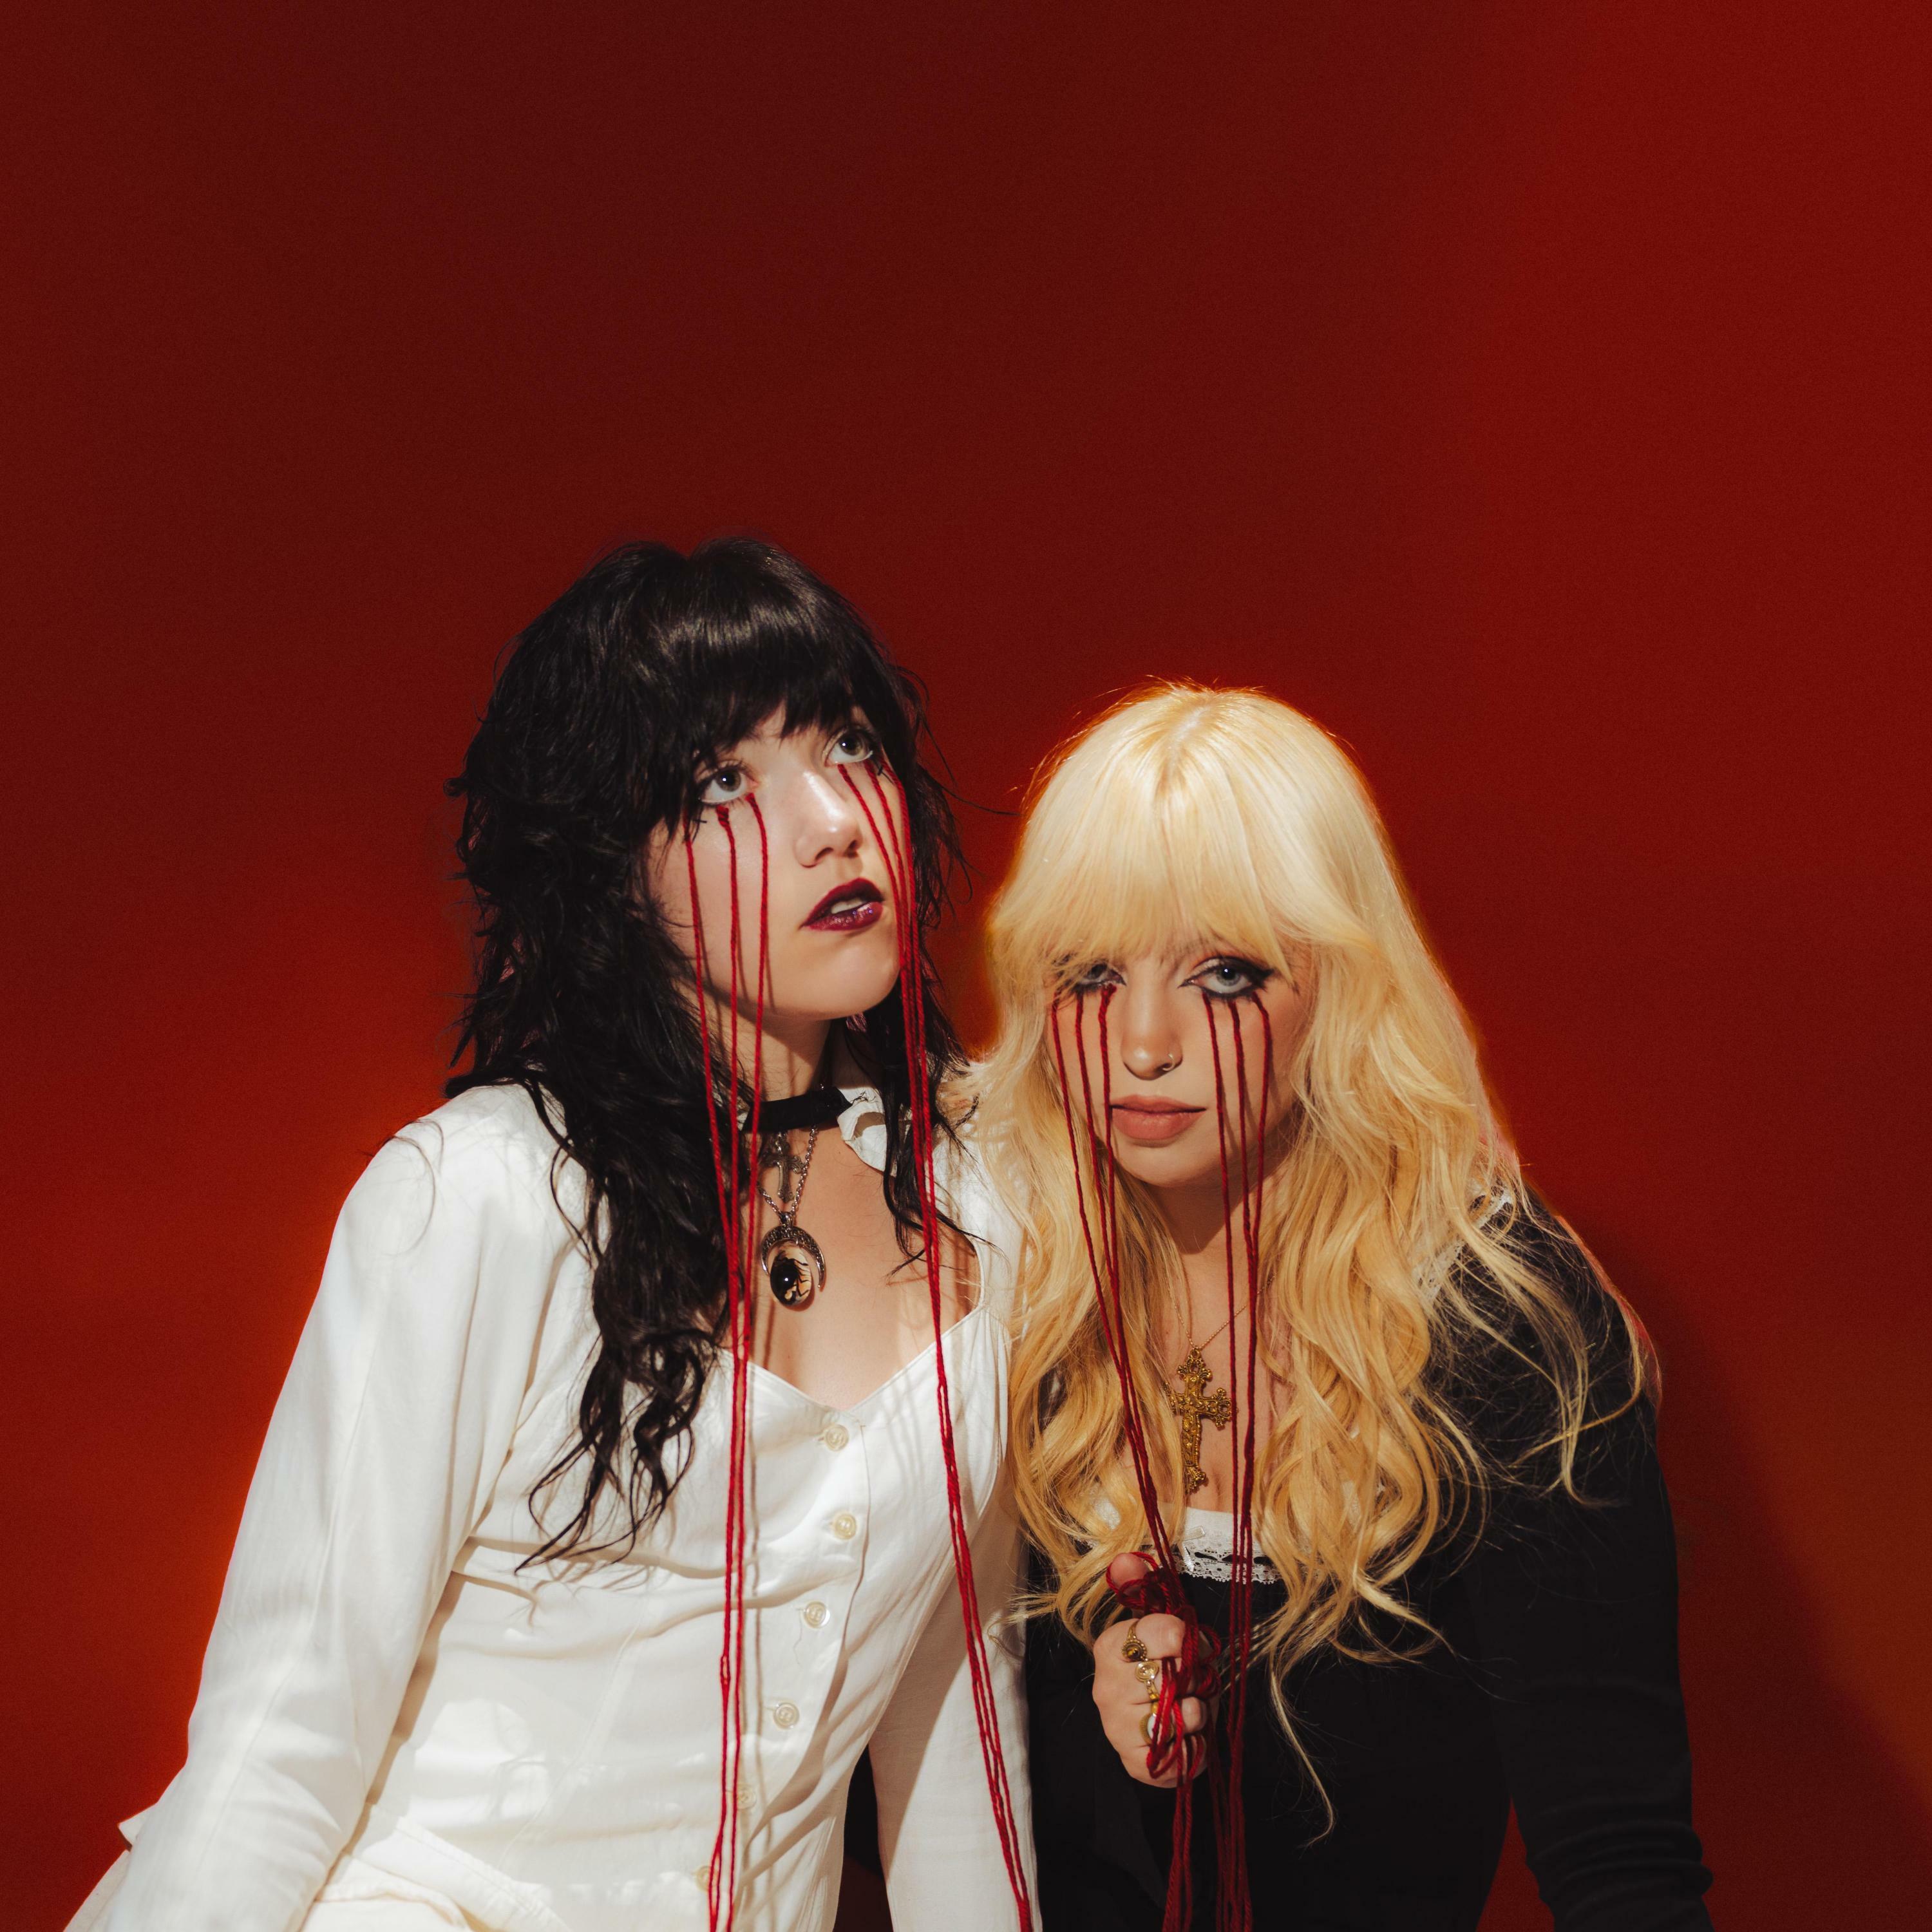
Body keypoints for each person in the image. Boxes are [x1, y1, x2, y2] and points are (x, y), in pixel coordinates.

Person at [70, 540, 1036, 1932]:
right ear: (610, 869)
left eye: (853, 745)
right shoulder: (482, 1194)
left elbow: (959, 1733)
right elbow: (284, 1737)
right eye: (720, 784)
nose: (834, 820)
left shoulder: (982, 1204)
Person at [977, 685, 1712, 1930]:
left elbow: (1622, 1862)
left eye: (1225, 974)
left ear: (1340, 985)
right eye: (1090, 972)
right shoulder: (1003, 1266)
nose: (1143, 1042)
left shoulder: (1499, 1326)